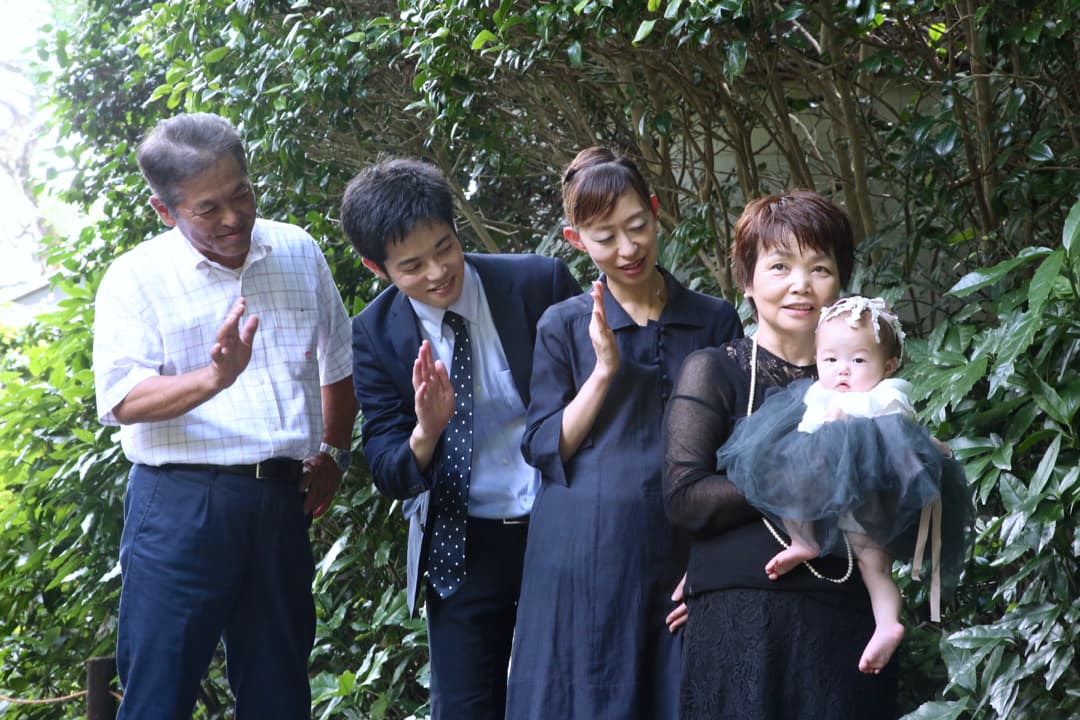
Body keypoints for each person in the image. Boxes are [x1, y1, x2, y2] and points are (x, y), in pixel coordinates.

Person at [93, 112, 357, 719]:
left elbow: (337, 360)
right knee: (159, 692)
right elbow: (122, 398)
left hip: (280, 502)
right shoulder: (135, 278)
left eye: (242, 193)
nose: (235, 217)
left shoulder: (295, 247)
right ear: (165, 210)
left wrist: (335, 453)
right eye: (208, 209)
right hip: (181, 503)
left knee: (280, 690)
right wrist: (216, 377)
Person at [505, 147, 742, 720]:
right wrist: (604, 371)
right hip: (583, 555)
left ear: (657, 211)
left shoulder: (713, 318)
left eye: (638, 226)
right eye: (605, 236)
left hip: (681, 547)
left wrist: (715, 563)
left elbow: (738, 448)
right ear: (575, 239)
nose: (628, 248)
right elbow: (544, 445)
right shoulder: (563, 324)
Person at [342, 158, 580, 720]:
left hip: (561, 522)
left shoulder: (536, 283)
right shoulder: (375, 336)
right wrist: (426, 430)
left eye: (445, 248)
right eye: (412, 265)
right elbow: (386, 466)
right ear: (376, 268)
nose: (437, 272)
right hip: (462, 545)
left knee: (578, 694)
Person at [662, 191, 900, 718]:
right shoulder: (714, 370)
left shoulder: (859, 378)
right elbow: (684, 498)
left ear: (840, 282)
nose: (801, 284)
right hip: (737, 615)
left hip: (843, 613)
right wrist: (794, 470)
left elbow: (894, 500)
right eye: (779, 266)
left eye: (819, 267)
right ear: (747, 282)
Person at [715, 295, 971, 675]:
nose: (842, 371)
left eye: (858, 360)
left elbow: (906, 439)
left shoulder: (885, 396)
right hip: (825, 496)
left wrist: (930, 449)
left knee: (875, 566)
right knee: (786, 476)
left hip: (871, 507)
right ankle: (805, 541)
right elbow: (802, 444)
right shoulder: (817, 394)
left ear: (889, 365)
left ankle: (888, 624)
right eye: (830, 359)